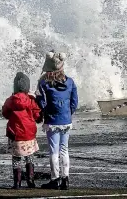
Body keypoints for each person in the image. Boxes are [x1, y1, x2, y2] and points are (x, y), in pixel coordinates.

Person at [36, 51, 78, 190]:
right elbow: (74, 102)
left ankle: (55, 179)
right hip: (66, 120)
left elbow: (41, 103)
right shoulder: (70, 81)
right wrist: (68, 113)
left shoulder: (43, 83)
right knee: (64, 149)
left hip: (52, 121)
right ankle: (65, 178)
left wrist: (43, 111)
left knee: (53, 151)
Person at [2, 72, 42, 189]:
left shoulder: (10, 100)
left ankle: (17, 183)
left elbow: (5, 113)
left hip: (15, 134)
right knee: (29, 157)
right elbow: (37, 115)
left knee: (16, 158)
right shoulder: (30, 100)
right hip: (29, 134)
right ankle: (31, 181)